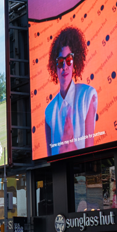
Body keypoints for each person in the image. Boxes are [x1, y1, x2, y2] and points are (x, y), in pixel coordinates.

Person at [43, 27, 98, 155]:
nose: (65, 67)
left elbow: (90, 149)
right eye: (60, 62)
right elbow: (50, 157)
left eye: (69, 60)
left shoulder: (87, 96)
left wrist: (72, 146)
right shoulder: (49, 111)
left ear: (75, 63)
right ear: (54, 67)